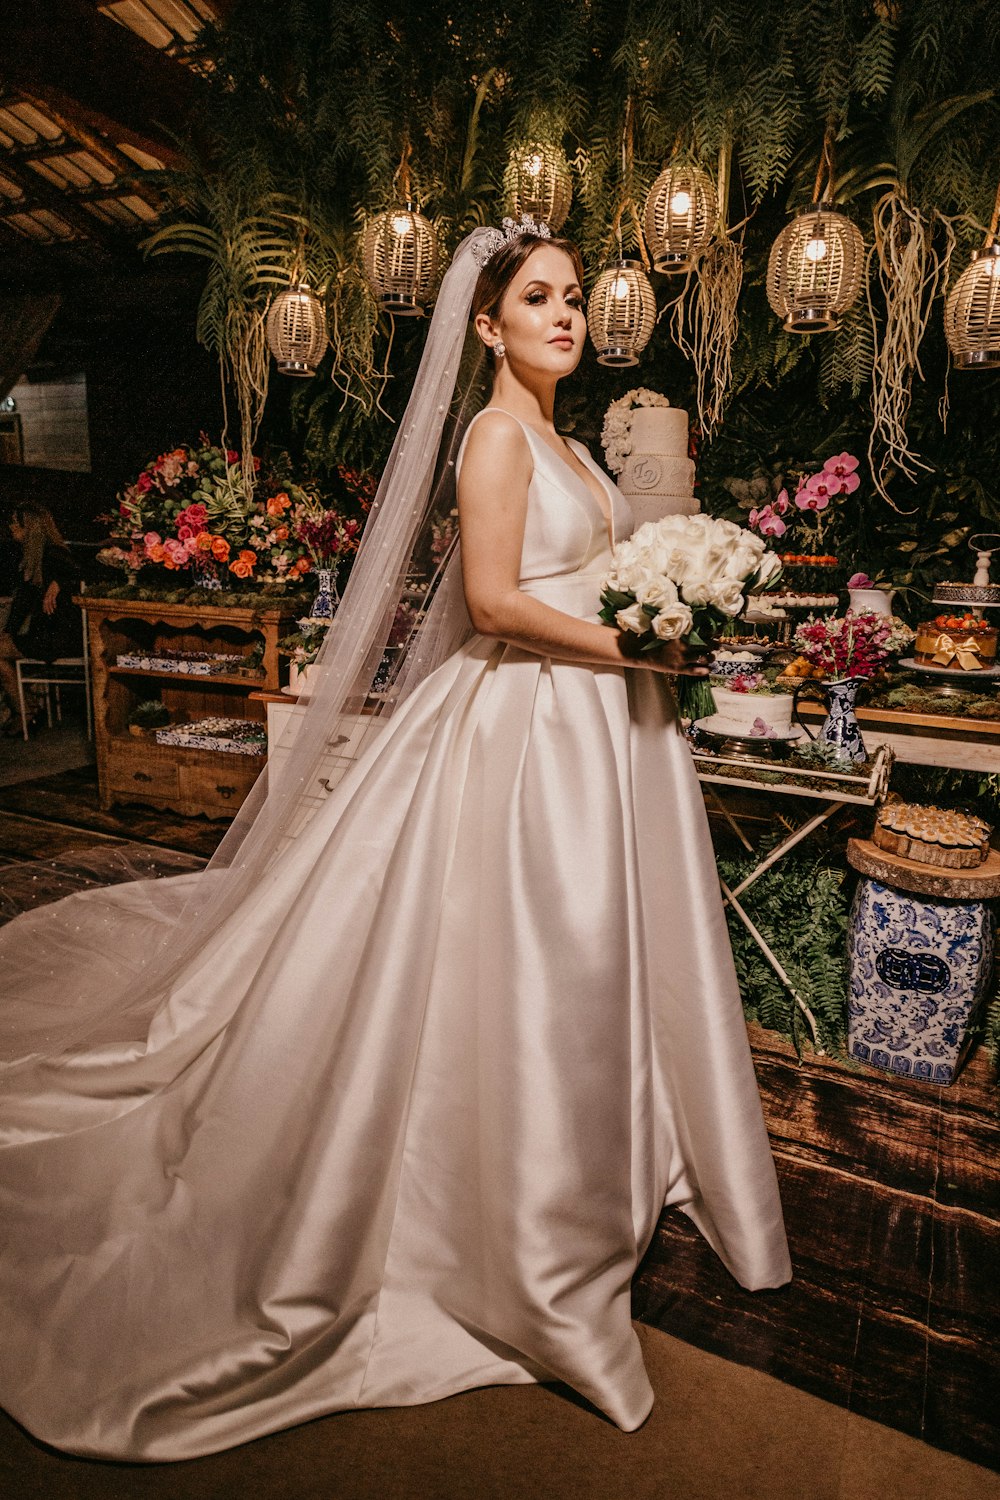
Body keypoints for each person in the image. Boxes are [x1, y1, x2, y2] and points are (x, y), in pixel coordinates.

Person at [0, 223, 791, 1462]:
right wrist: (640, 644)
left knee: (581, 967)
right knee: (516, 961)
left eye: (574, 298)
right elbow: (491, 603)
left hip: (591, 731)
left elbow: (583, 571)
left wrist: (665, 594)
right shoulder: (490, 436)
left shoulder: (573, 444)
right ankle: (503, 1204)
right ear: (485, 325)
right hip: (522, 727)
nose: (565, 316)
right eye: (538, 299)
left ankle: (596, 1151)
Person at [0, 502, 82, 731]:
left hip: (60, 637)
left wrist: (62, 583)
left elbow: (85, 573)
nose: (11, 527)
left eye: (15, 523)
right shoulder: (31, 559)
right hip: (44, 634)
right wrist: (8, 633)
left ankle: (25, 711)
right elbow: (21, 605)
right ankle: (26, 707)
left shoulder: (54, 555)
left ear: (30, 528)